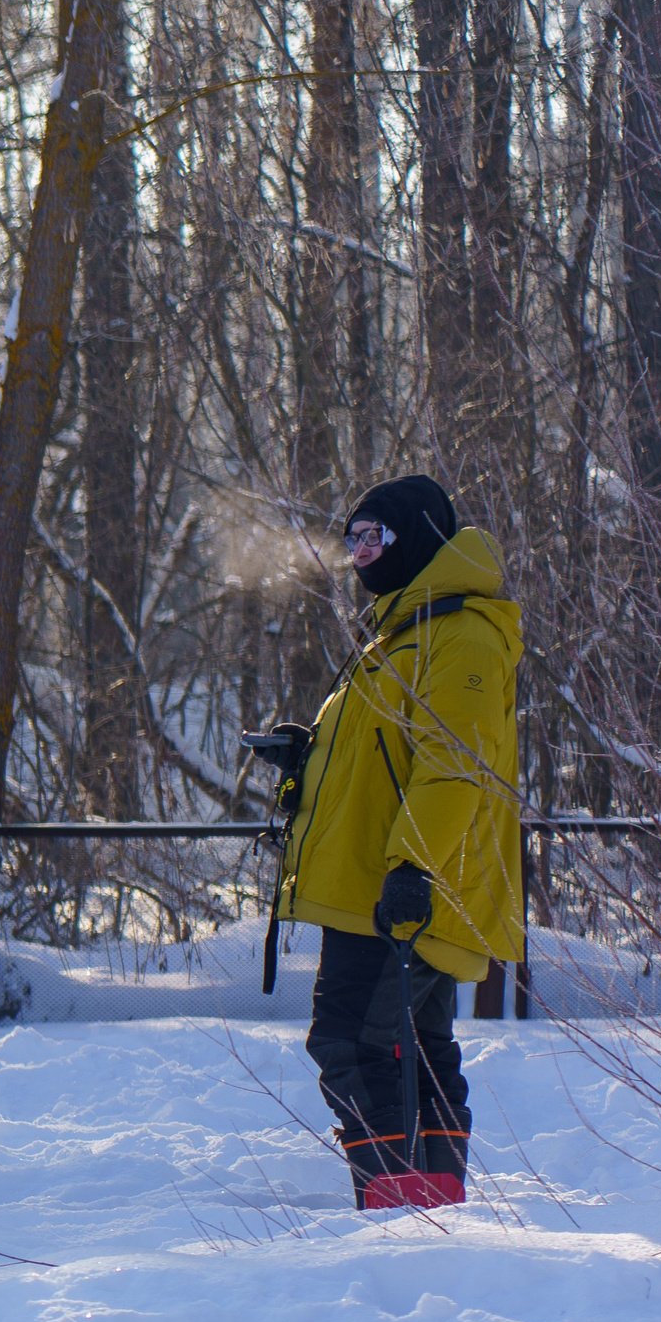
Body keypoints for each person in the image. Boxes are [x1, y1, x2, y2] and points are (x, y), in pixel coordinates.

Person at [265, 474, 523, 1209]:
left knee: (353, 1043)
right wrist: (308, 756)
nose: (360, 553)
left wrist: (412, 866)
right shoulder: (402, 635)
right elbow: (386, 761)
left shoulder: (461, 634)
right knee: (414, 1046)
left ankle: (398, 1207)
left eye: (374, 536)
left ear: (418, 538)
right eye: (352, 538)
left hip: (404, 886)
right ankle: (428, 1203)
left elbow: (453, 765)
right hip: (374, 885)